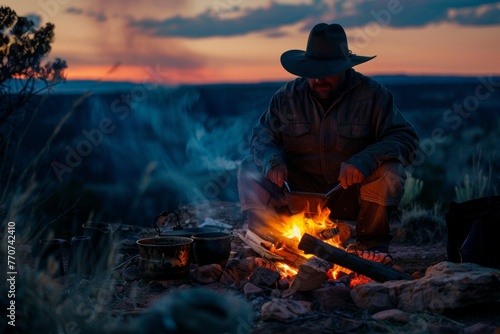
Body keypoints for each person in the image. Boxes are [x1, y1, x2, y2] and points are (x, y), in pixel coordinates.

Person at [237, 23, 420, 264]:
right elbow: (261, 137)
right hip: (295, 194)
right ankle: (265, 242)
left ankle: (371, 245)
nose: (320, 78)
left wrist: (364, 160)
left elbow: (405, 137)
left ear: (345, 67)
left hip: (347, 196)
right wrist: (272, 160)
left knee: (389, 171)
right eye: (313, 71)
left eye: (329, 71)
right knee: (250, 167)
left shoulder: (373, 96)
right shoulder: (286, 98)